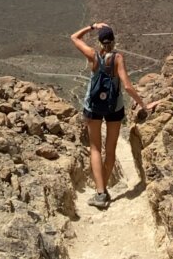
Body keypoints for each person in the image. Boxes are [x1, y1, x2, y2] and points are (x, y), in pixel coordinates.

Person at [70, 22, 157, 209]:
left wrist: (92, 26)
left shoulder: (93, 55)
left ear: (100, 41)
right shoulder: (118, 58)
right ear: (114, 40)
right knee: (110, 150)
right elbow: (127, 86)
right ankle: (103, 190)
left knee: (94, 148)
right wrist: (144, 105)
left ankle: (100, 193)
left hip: (93, 107)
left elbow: (74, 37)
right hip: (114, 108)